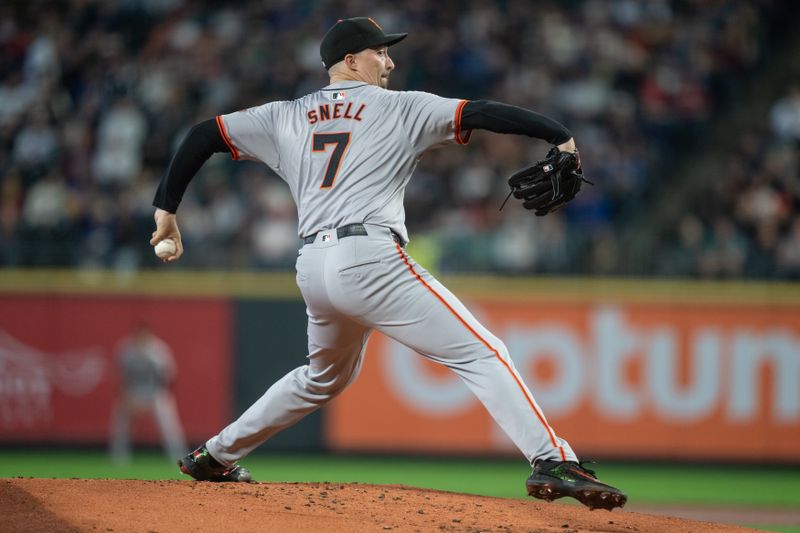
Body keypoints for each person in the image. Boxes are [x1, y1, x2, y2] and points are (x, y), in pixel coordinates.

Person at [151, 17, 626, 510]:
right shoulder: (402, 106)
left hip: (313, 265)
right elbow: (482, 112)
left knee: (323, 376)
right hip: (368, 259)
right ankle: (551, 459)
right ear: (351, 60)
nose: (391, 60)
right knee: (482, 354)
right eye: (381, 52)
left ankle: (216, 455)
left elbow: (203, 135)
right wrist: (562, 136)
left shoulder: (285, 115)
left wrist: (165, 208)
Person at [110, 324, 187, 464]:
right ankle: (119, 459)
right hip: (133, 394)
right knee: (120, 422)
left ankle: (179, 459)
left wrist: (154, 398)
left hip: (156, 394)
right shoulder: (126, 350)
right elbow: (122, 377)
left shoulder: (159, 350)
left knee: (169, 427)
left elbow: (167, 378)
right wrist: (129, 397)